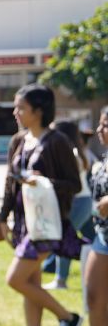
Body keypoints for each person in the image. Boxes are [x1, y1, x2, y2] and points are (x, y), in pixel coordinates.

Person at [0, 83, 85, 326]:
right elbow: (9, 182)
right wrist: (4, 216)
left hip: (47, 224)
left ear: (38, 111)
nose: (16, 113)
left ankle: (67, 317)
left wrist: (43, 182)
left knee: (15, 279)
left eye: (21, 108)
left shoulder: (57, 141)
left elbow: (73, 184)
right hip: (25, 222)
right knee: (31, 281)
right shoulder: (19, 140)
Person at [43, 120, 93, 290]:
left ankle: (60, 280)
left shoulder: (72, 154)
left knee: (65, 239)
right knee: (84, 240)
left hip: (78, 202)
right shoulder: (77, 152)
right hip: (82, 202)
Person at [78, 108, 108, 326]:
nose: (100, 131)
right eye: (100, 125)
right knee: (95, 298)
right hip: (103, 237)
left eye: (106, 125)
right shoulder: (102, 160)